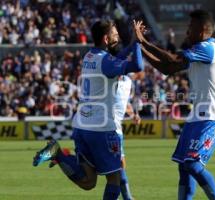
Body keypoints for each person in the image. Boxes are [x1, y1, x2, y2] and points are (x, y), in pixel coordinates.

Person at [33, 19, 144, 200]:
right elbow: (137, 66)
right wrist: (138, 44)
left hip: (82, 126)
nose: (118, 36)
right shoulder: (106, 61)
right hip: (102, 129)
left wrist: (132, 43)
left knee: (88, 181)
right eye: (115, 34)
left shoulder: (89, 57)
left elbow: (117, 58)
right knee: (115, 179)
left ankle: (58, 154)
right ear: (106, 39)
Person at [133, 9, 215, 200]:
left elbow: (172, 59)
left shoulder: (208, 48)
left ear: (201, 30)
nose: (187, 32)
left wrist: (144, 41)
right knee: (184, 166)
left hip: (211, 117)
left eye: (190, 28)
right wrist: (140, 47)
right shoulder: (196, 53)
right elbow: (167, 68)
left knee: (193, 164)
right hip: (196, 118)